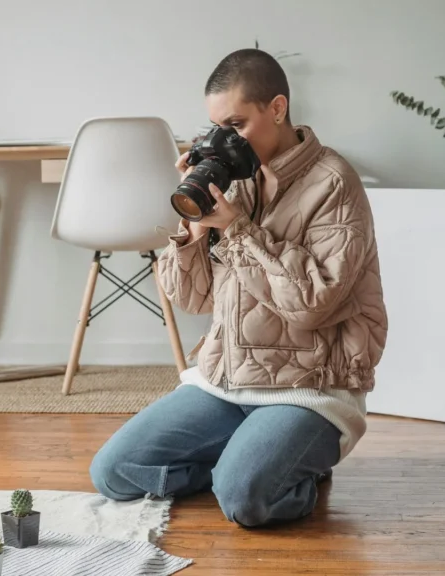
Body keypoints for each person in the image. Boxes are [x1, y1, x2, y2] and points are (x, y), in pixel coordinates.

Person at [89, 48, 387, 528]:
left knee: (246, 500)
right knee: (114, 472)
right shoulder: (233, 179)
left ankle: (285, 469)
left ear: (277, 108)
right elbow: (191, 300)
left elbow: (313, 304)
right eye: (218, 127)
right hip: (226, 380)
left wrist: (239, 230)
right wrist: (195, 228)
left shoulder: (334, 182)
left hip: (307, 388)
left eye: (237, 123)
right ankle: (251, 459)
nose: (228, 139)